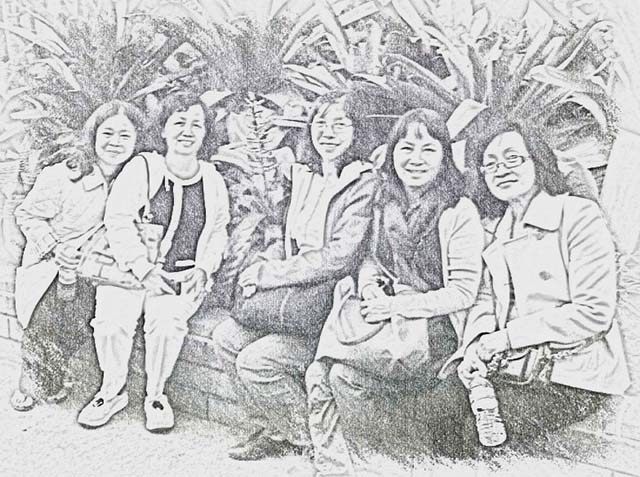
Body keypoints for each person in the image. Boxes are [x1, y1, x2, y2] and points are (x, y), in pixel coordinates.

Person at [305, 108, 485, 476]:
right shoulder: (387, 202)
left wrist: (396, 307)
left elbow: (462, 293)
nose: (415, 159)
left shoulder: (458, 211)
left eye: (428, 149)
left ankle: (373, 465)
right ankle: (336, 467)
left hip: (433, 333)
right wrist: (370, 285)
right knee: (322, 374)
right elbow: (372, 259)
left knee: (337, 375)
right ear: (392, 153)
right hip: (389, 322)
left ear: (444, 157)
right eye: (406, 148)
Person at [210, 89, 379, 460]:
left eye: (340, 124)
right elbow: (284, 236)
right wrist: (257, 268)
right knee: (225, 338)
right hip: (289, 298)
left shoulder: (363, 182)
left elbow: (340, 256)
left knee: (257, 361)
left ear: (357, 131)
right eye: (321, 123)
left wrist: (272, 273)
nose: (328, 132)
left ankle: (310, 439)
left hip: (326, 308)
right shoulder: (304, 176)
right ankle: (273, 428)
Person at [454, 121, 630, 445]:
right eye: (490, 164)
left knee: (475, 437)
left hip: (574, 373)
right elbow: (485, 299)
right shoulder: (497, 231)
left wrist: (506, 338)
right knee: (436, 408)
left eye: (513, 158)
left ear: (538, 161)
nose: (501, 170)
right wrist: (475, 346)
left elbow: (594, 312)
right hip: (513, 365)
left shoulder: (578, 216)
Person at [77, 92, 230, 432]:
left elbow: (219, 230)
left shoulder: (212, 179)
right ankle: (111, 391)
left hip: (180, 276)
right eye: (179, 123)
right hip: (131, 272)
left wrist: (204, 268)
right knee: (111, 323)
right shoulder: (144, 166)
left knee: (166, 325)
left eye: (196, 125)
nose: (187, 131)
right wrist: (143, 269)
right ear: (163, 129)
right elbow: (117, 219)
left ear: (205, 133)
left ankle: (156, 396)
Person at [11, 100, 145, 411]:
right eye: (107, 133)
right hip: (51, 266)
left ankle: (53, 374)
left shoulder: (136, 180)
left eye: (125, 135)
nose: (115, 142)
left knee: (82, 319)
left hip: (98, 268)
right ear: (93, 135)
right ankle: (31, 382)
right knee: (46, 318)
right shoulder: (64, 175)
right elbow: (27, 214)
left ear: (137, 140)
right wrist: (54, 247)